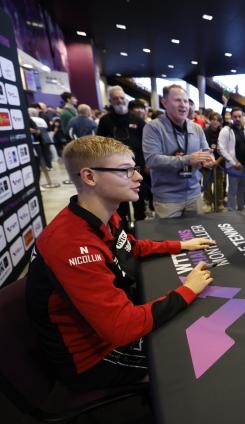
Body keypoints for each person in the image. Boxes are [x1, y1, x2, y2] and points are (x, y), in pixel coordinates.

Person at [26, 136, 215, 391]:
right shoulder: (70, 244)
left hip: (107, 332)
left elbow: (131, 246)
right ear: (90, 177)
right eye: (126, 171)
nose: (138, 177)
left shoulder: (104, 212)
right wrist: (188, 289)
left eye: (135, 169)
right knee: (198, 362)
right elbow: (121, 328)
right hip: (91, 358)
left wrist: (180, 245)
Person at [143, 84, 215, 218]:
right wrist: (187, 159)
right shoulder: (153, 128)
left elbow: (206, 151)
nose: (183, 105)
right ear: (164, 102)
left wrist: (209, 159)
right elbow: (152, 160)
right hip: (167, 199)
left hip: (194, 194)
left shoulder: (196, 128)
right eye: (177, 100)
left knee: (198, 236)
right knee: (171, 238)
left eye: (186, 101)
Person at [98, 86, 147, 224]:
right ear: (110, 101)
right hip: (115, 169)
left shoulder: (137, 121)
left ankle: (140, 229)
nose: (119, 101)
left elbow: (146, 144)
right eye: (115, 98)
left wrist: (146, 163)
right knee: (120, 205)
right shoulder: (105, 121)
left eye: (121, 98)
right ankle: (123, 230)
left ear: (126, 99)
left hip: (136, 167)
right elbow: (100, 144)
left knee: (139, 201)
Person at [217, 107, 245, 211]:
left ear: (242, 117)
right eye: (235, 116)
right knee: (232, 190)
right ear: (231, 117)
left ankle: (241, 210)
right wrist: (233, 162)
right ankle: (231, 212)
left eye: (240, 116)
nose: (238, 118)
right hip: (234, 166)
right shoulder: (226, 130)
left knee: (243, 189)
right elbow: (221, 149)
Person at [203, 112, 226, 212]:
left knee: (219, 184)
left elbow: (226, 149)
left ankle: (219, 203)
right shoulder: (204, 131)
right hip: (206, 162)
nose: (215, 122)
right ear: (209, 120)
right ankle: (208, 203)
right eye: (213, 119)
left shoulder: (223, 133)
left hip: (220, 162)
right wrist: (207, 160)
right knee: (207, 184)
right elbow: (201, 147)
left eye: (217, 120)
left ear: (220, 122)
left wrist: (217, 161)